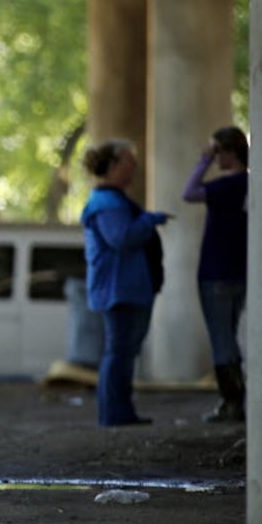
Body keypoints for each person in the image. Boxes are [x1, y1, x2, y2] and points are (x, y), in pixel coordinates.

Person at [79, 140, 170, 427]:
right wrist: (148, 221)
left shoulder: (114, 200)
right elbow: (121, 238)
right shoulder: (106, 203)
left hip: (128, 287)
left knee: (123, 352)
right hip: (119, 289)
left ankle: (121, 412)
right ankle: (114, 414)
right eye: (129, 162)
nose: (134, 168)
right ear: (115, 165)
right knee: (119, 352)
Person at [181, 126, 249, 423]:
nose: (212, 156)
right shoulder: (252, 184)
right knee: (230, 336)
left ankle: (232, 402)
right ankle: (234, 401)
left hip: (215, 272)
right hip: (239, 272)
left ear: (228, 152)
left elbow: (189, 192)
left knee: (222, 340)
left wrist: (202, 162)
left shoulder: (226, 187)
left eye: (216, 151)